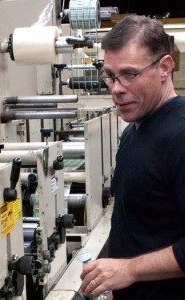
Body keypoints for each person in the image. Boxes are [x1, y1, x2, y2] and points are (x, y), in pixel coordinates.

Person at [80, 15, 185, 300]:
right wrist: (119, 278)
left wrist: (130, 270)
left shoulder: (179, 136)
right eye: (110, 76)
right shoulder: (135, 129)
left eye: (129, 74)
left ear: (164, 67)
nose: (116, 88)